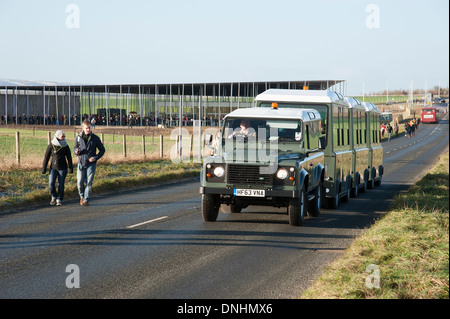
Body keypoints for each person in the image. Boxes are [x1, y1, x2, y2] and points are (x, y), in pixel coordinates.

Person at [74, 119, 105, 206]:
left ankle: (86, 199)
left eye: (90, 128)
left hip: (91, 164)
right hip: (81, 163)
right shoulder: (78, 137)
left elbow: (102, 150)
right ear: (82, 128)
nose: (88, 129)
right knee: (80, 182)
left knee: (89, 182)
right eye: (87, 128)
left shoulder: (95, 138)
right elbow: (75, 148)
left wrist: (95, 157)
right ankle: (82, 196)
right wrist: (76, 151)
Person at [42, 130, 73, 206]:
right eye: (62, 136)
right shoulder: (51, 145)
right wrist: (44, 168)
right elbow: (46, 157)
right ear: (57, 136)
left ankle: (59, 199)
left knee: (61, 184)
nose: (63, 137)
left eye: (64, 136)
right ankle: (54, 196)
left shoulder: (65, 146)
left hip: (63, 168)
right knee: (51, 183)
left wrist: (70, 168)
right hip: (53, 168)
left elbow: (69, 157)